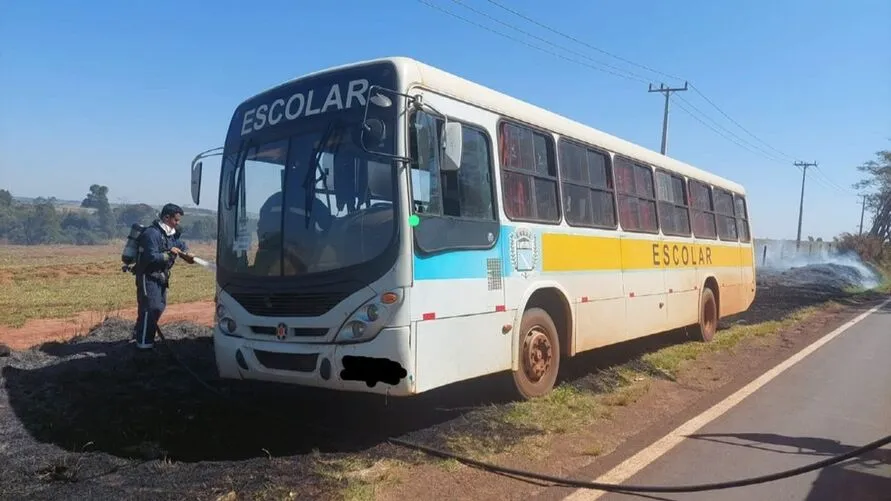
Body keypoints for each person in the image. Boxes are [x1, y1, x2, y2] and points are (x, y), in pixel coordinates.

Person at [133, 203, 195, 351]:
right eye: (176, 220)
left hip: (161, 278)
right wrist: (170, 254)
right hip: (148, 277)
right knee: (150, 309)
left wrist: (187, 252)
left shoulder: (170, 234)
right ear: (166, 217)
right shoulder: (152, 234)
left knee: (159, 307)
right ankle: (143, 346)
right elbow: (151, 257)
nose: (177, 224)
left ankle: (140, 333)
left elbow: (179, 244)